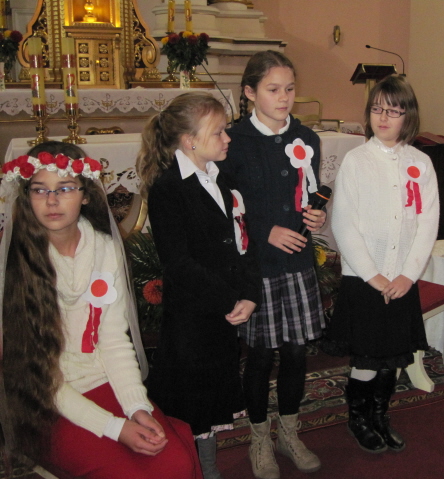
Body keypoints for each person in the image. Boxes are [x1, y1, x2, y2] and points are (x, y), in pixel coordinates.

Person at [0, 141, 202, 479]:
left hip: (102, 377)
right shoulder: (17, 262)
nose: (52, 200)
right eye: (40, 189)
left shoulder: (105, 249)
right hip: (45, 398)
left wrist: (136, 407)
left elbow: (112, 339)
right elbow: (39, 373)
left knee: (175, 462)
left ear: (86, 195)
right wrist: (114, 427)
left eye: (65, 188)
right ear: (27, 196)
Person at [137, 92, 262, 479]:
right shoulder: (168, 189)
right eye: (219, 132)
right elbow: (179, 264)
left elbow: (243, 241)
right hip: (193, 316)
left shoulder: (223, 179)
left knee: (213, 393)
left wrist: (250, 293)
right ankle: (195, 467)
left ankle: (208, 465)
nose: (228, 138)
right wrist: (230, 298)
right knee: (192, 397)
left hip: (223, 312)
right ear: (189, 140)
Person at [219, 50, 326, 479]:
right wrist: (265, 230)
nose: (284, 98)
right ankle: (259, 437)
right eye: (273, 89)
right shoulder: (232, 141)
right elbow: (225, 204)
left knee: (297, 352)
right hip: (258, 264)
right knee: (261, 354)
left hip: (297, 260)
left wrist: (316, 216)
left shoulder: (307, 137)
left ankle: (290, 431)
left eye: (290, 89)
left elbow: (308, 192)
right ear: (249, 92)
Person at [328, 74, 439, 454]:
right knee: (367, 358)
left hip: (402, 281)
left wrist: (408, 275)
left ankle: (380, 415)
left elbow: (427, 224)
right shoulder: (357, 160)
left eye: (393, 111)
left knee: (391, 358)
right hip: (365, 280)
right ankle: (358, 418)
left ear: (408, 116)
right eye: (377, 109)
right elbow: (343, 223)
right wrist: (374, 276)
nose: (383, 118)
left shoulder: (421, 163)